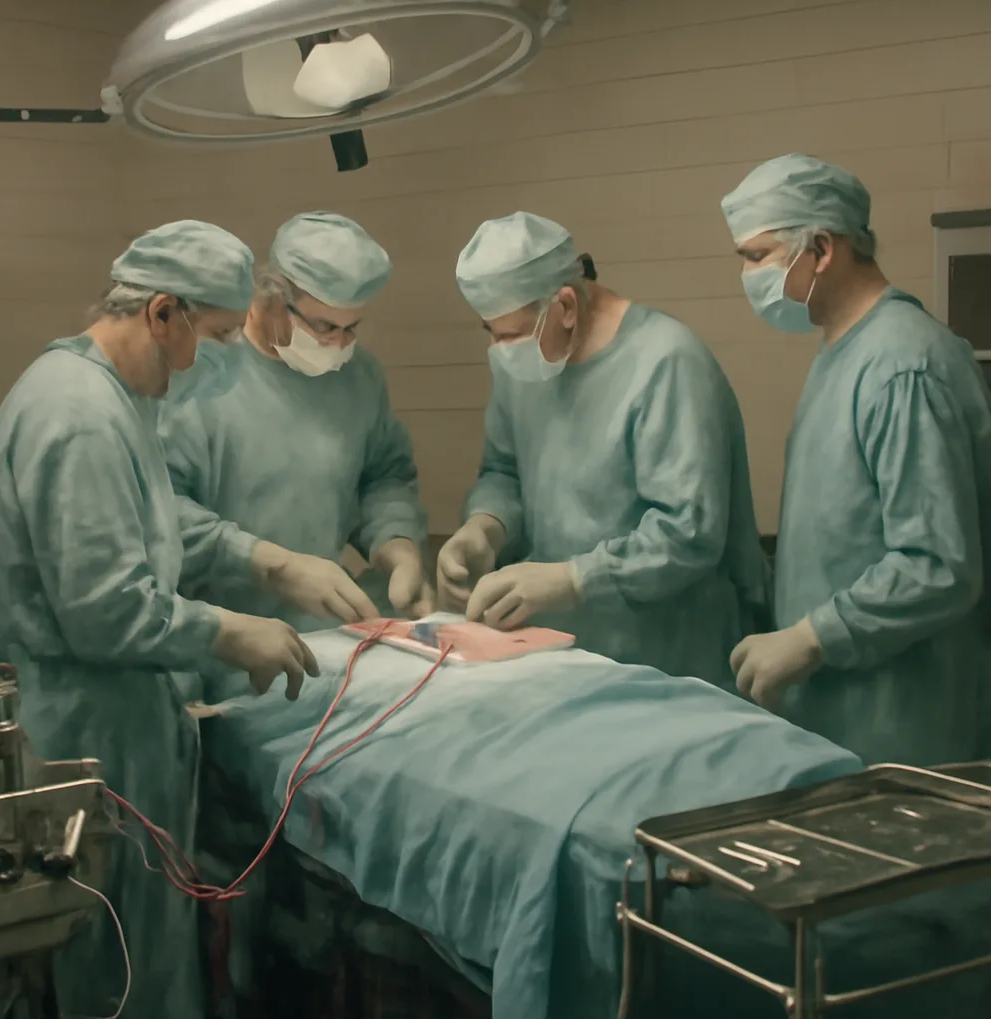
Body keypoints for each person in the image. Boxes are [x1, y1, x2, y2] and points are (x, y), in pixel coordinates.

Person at [0, 220, 373, 1019]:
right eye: (217, 337)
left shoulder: (115, 398)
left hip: (115, 740)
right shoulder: (78, 416)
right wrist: (228, 631)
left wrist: (268, 561)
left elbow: (151, 523)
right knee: (109, 981)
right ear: (162, 313)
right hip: (77, 748)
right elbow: (105, 608)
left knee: (141, 965)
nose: (220, 359)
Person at [722, 153, 991, 765]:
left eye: (758, 255)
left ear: (821, 248)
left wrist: (812, 638)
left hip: (906, 722)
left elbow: (937, 565)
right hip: (842, 712)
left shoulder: (904, 365)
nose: (748, 274)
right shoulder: (844, 353)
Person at [437, 211, 770, 687]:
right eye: (488, 331)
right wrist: (485, 528)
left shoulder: (665, 363)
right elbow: (504, 470)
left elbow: (689, 532)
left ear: (566, 305)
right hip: (559, 650)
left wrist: (574, 579)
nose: (500, 348)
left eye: (511, 334)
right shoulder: (527, 366)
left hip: (666, 656)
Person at [159, 211, 431, 634]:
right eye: (324, 325)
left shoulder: (357, 377)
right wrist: (270, 565)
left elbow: (382, 476)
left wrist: (396, 544)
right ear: (268, 297)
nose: (339, 343)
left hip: (324, 634)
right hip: (215, 634)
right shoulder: (197, 372)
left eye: (352, 327)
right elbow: (159, 507)